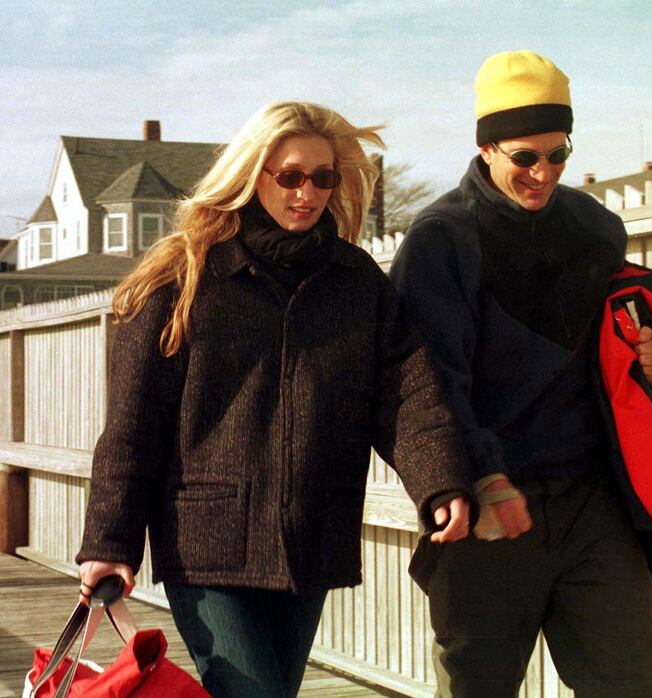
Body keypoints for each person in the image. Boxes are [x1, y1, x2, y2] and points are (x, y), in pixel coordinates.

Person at [76, 101, 473, 698]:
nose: (306, 192)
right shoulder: (180, 279)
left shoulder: (356, 282)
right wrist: (110, 541)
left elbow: (407, 395)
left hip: (310, 538)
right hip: (208, 544)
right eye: (289, 175)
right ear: (252, 173)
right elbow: (134, 426)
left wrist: (439, 482)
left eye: (322, 177)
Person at [390, 51, 652, 698]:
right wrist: (481, 480)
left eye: (559, 153)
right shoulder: (440, 240)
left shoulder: (595, 227)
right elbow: (428, 387)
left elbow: (614, 349)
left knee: (638, 686)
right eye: (526, 157)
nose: (543, 172)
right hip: (491, 504)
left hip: (593, 505)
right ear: (488, 146)